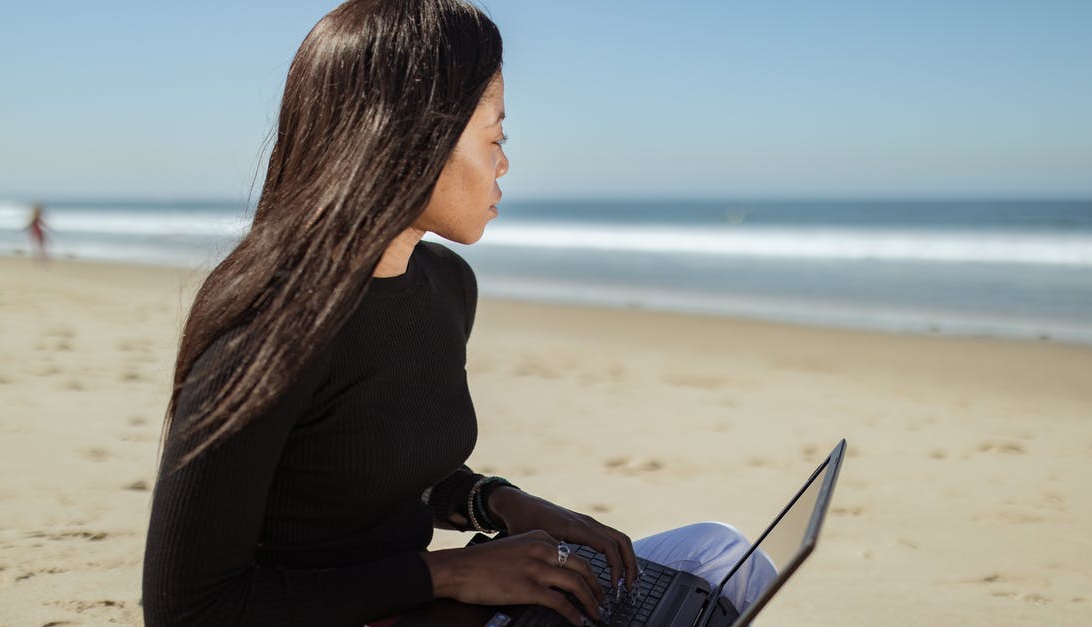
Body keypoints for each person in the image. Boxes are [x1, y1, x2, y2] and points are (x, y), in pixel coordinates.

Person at [142, 2, 773, 625]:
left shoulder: (446, 286)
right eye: (495, 137)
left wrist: (501, 504)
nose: (504, 163)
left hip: (427, 605)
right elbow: (188, 609)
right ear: (412, 137)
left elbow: (388, 472)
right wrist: (448, 573)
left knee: (721, 556)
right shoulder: (268, 325)